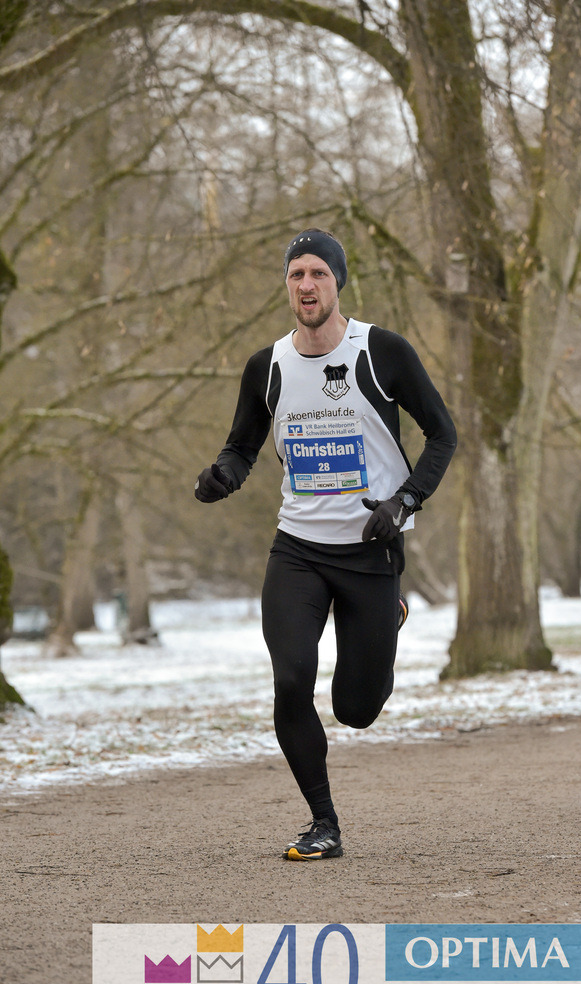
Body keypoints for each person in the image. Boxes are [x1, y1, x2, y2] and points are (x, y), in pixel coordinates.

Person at [195, 228, 456, 860]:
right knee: (291, 676)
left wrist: (405, 501)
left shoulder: (381, 353)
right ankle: (323, 823)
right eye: (296, 275)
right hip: (299, 549)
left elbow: (443, 436)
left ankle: (386, 617)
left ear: (338, 282)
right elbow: (242, 444)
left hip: (371, 549)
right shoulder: (269, 366)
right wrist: (225, 474)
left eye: (318, 274)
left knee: (356, 709)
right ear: (287, 285)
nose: (306, 285)